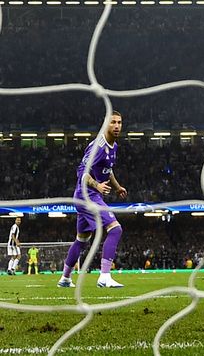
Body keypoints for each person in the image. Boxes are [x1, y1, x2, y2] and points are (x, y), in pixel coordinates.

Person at [58, 111, 128, 288]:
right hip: (86, 196)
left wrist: (117, 186)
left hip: (87, 196)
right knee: (115, 229)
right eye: (113, 122)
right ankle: (104, 276)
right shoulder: (98, 146)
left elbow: (108, 170)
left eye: (119, 122)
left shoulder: (114, 147)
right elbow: (83, 174)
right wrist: (97, 185)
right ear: (105, 125)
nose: (117, 126)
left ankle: (65, 278)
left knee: (82, 239)